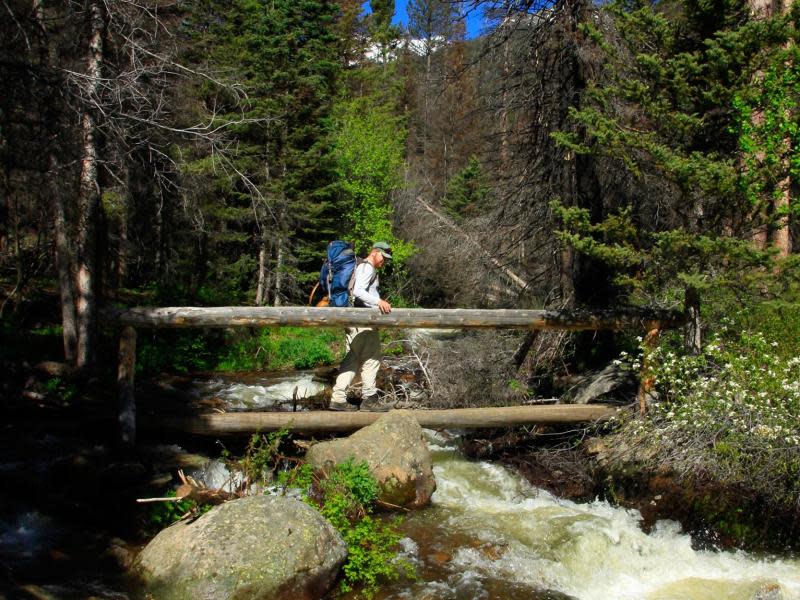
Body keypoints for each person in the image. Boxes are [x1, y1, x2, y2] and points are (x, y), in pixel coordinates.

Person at [329, 242, 394, 412]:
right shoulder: (367, 268)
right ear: (374, 252)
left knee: (353, 359)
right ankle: (369, 399)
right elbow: (358, 291)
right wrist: (378, 302)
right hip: (363, 322)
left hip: (354, 321)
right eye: (383, 257)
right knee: (372, 360)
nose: (384, 261)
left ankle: (338, 399)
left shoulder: (362, 267)